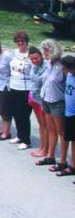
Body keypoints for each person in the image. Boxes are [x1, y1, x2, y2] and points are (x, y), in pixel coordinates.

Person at [40, 41, 67, 171]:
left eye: (47, 50)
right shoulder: (48, 64)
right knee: (51, 130)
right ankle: (50, 156)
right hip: (46, 99)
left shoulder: (62, 66)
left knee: (62, 132)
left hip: (57, 101)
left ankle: (62, 160)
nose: (44, 53)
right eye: (44, 50)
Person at [7, 33, 35, 150]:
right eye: (18, 41)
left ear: (26, 42)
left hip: (25, 88)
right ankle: (19, 135)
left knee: (24, 115)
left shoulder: (31, 55)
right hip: (14, 86)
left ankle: (26, 140)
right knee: (15, 112)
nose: (20, 43)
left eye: (22, 41)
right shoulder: (15, 53)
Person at [58, 54, 75, 178]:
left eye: (65, 68)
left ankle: (73, 166)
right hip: (68, 112)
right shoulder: (69, 75)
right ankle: (69, 164)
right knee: (67, 138)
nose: (63, 71)